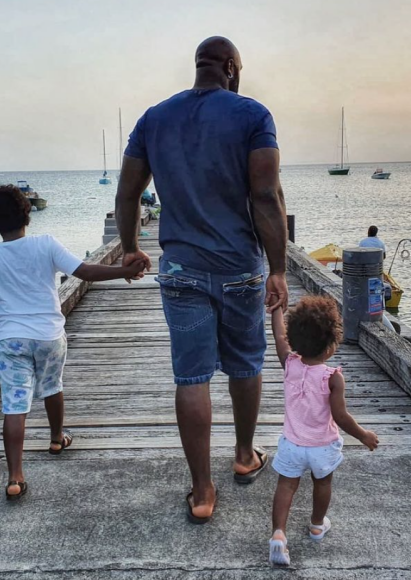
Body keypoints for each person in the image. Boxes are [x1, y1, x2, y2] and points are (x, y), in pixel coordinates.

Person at [115, 36, 288, 524]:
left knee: (191, 377)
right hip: (239, 268)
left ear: (199, 67)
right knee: (245, 363)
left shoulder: (154, 117)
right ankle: (244, 453)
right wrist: (277, 268)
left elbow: (128, 193)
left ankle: (202, 490)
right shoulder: (253, 116)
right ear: (232, 67)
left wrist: (131, 248)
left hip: (180, 270)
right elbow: (266, 195)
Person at [0, 184, 145, 500]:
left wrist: (7, 322)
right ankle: (56, 438)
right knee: (52, 385)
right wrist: (123, 270)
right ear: (27, 215)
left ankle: (15, 477)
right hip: (49, 334)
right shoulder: (45, 245)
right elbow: (86, 272)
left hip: (11, 339)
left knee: (14, 404)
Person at [268, 297, 379, 566]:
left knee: (286, 485)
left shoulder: (290, 364)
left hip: (292, 443)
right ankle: (317, 525)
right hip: (322, 446)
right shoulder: (333, 377)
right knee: (323, 483)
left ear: (295, 340)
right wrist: (363, 435)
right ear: (330, 347)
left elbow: (279, 337)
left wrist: (276, 311)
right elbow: (340, 416)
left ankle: (278, 535)